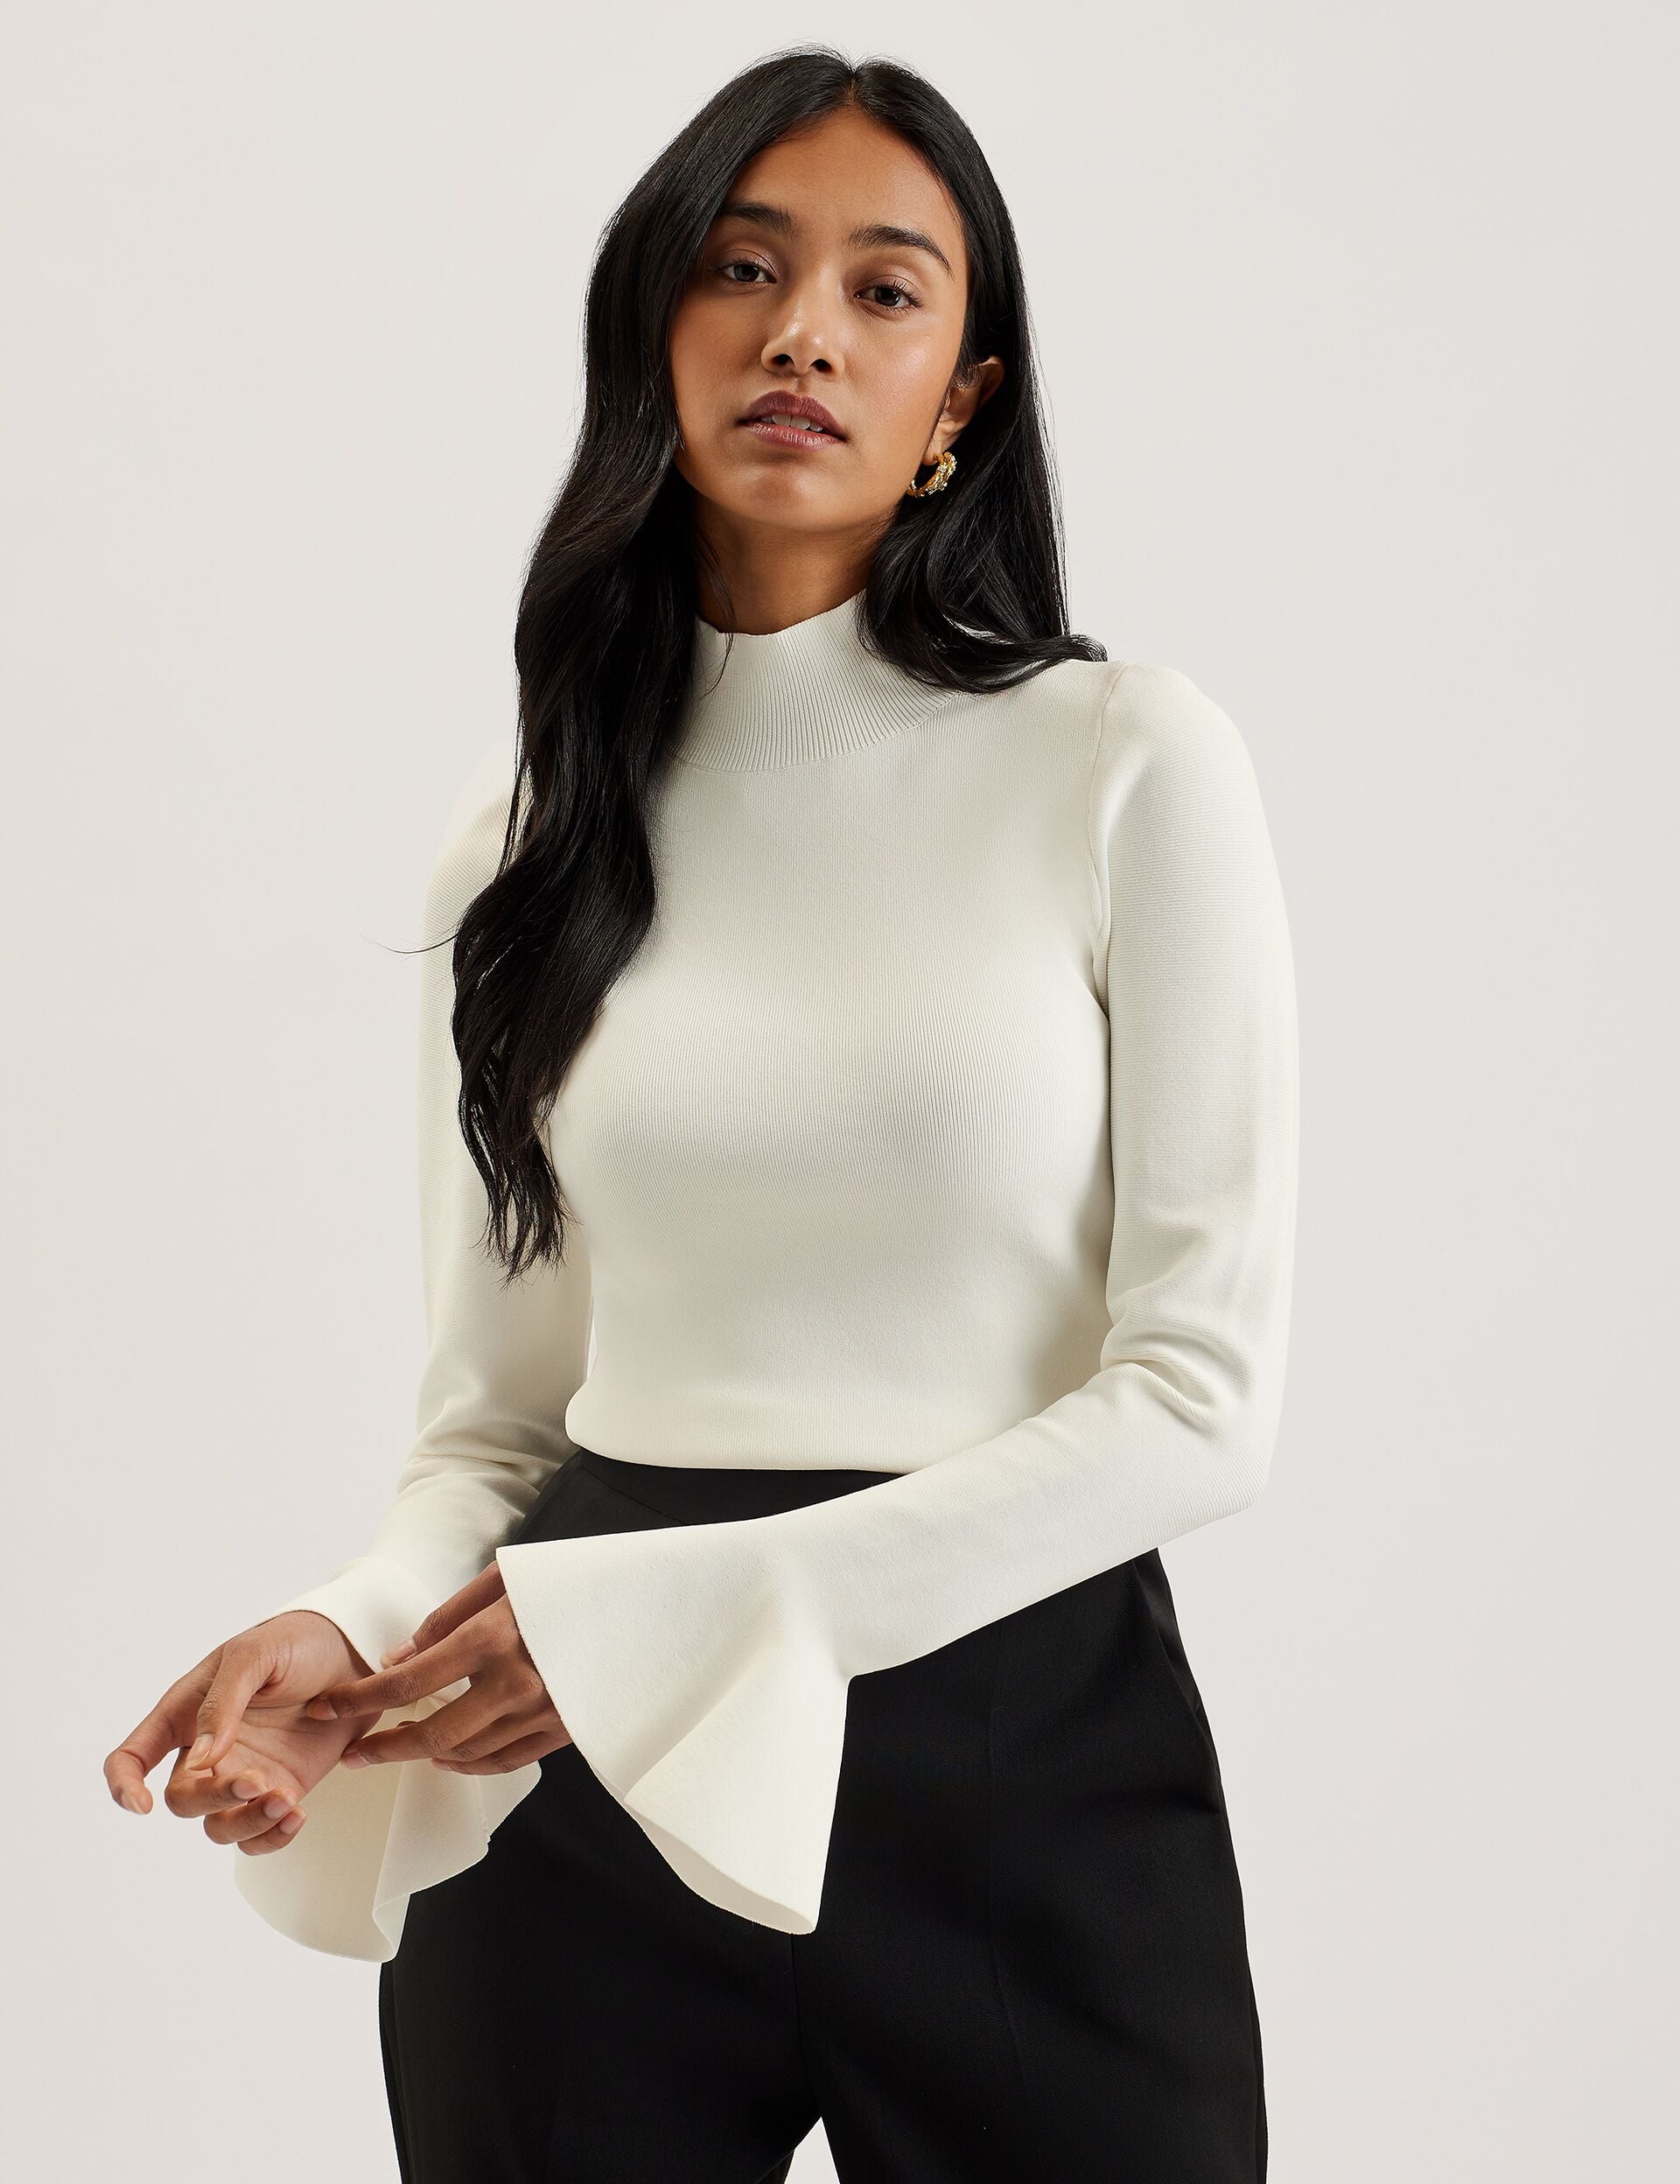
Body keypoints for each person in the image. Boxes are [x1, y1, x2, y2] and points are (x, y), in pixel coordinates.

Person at [105, 47, 1298, 2183]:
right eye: (742, 269)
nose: (802, 332)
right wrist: (356, 1624)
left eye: (883, 289)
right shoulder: (526, 851)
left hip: (1020, 1739)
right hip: (567, 1768)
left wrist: (696, 1620)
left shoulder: (1126, 762)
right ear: (652, 327)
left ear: (962, 399)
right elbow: (500, 1424)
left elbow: (1200, 1399)